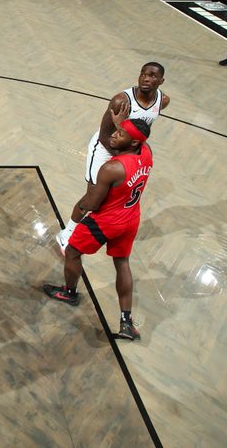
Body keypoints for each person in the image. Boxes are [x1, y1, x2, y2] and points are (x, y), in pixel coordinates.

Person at [43, 119, 153, 341]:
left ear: (132, 142)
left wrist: (79, 208)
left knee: (72, 251)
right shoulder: (147, 152)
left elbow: (92, 204)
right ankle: (126, 323)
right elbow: (133, 140)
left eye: (120, 133)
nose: (113, 134)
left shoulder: (111, 168)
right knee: (122, 264)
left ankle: (70, 293)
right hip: (131, 218)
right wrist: (118, 124)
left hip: (107, 221)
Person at [56, 62, 169, 252]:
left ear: (161, 80)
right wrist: (123, 156)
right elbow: (104, 135)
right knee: (93, 196)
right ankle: (67, 233)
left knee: (109, 197)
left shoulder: (162, 101)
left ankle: (99, 230)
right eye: (143, 74)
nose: (146, 79)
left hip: (127, 152)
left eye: (152, 76)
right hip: (105, 149)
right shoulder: (121, 101)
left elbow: (140, 131)